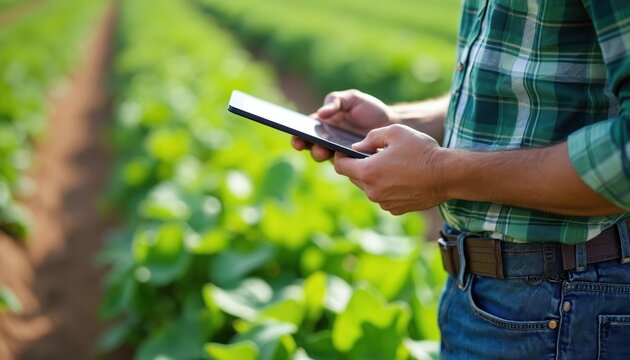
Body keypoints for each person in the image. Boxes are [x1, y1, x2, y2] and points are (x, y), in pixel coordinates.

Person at [292, 1, 630, 359]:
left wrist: (442, 172)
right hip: (490, 292)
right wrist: (401, 120)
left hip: (567, 300)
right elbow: (524, 89)